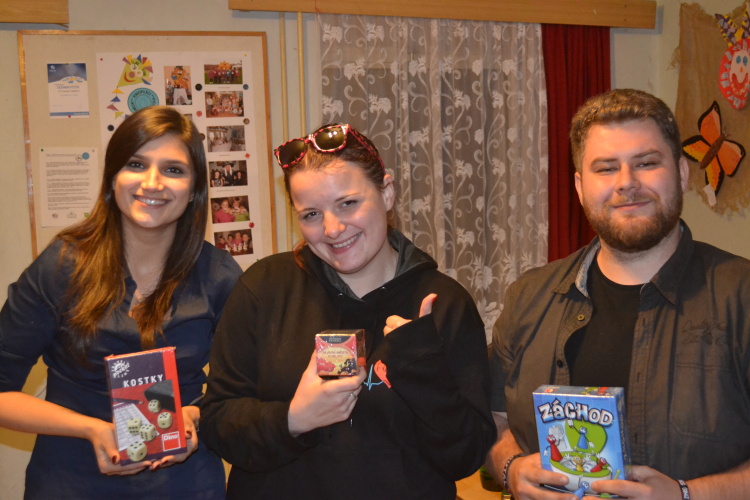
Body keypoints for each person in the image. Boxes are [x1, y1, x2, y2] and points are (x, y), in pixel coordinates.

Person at [200, 123, 496, 499]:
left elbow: (466, 457)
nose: (333, 229)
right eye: (311, 214)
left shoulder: (443, 304)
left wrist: (423, 372)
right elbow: (218, 423)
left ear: (386, 192)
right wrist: (295, 419)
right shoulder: (264, 288)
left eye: (348, 203)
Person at [486, 89, 750, 499]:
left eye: (646, 163)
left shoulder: (741, 297)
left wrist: (686, 494)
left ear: (681, 173)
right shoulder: (527, 298)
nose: (627, 183)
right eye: (606, 168)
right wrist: (510, 467)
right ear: (579, 187)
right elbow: (491, 419)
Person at [0, 106, 242, 499]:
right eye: (136, 164)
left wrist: (193, 415)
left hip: (185, 484)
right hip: (71, 481)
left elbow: (242, 389)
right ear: (113, 177)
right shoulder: (62, 265)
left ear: (195, 188)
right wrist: (90, 429)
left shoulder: (219, 274)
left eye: (173, 169)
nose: (153, 183)